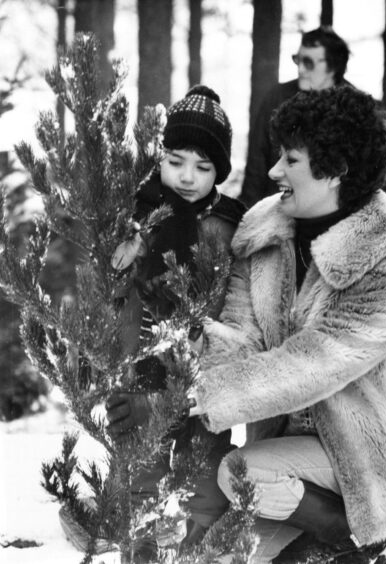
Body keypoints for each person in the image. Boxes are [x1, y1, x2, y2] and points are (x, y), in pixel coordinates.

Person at [188, 85, 386, 563]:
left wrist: (204, 394)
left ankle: (382, 536)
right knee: (217, 558)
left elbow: (313, 365)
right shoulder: (264, 231)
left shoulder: (385, 268)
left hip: (372, 458)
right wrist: (189, 366)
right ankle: (321, 539)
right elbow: (243, 333)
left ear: (335, 171)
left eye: (291, 160)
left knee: (239, 470)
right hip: (285, 454)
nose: (275, 170)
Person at [105, 85, 246, 549]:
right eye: (176, 161)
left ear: (219, 171)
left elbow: (235, 294)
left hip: (202, 374)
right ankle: (140, 550)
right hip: (141, 370)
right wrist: (117, 259)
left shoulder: (226, 222)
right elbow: (108, 287)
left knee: (205, 477)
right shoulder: (135, 215)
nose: (188, 177)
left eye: (204, 167)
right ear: (159, 158)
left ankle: (200, 550)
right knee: (139, 477)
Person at [240, 26, 351, 208]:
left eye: (308, 62)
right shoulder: (276, 97)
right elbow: (256, 164)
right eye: (298, 60)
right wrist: (245, 217)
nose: (300, 69)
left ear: (333, 66)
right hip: (278, 209)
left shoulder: (355, 108)